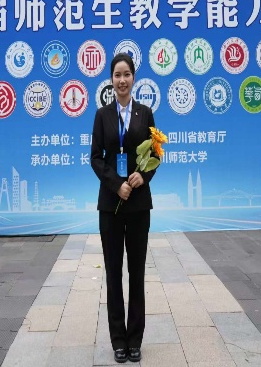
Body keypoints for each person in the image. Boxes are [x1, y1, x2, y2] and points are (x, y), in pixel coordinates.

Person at [91, 52, 157, 364]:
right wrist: (116, 184)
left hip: (139, 205)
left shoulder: (145, 113)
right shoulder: (102, 115)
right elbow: (95, 158)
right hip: (111, 206)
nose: (122, 80)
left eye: (126, 74)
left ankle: (135, 339)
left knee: (137, 272)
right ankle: (118, 340)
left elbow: (155, 153)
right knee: (114, 272)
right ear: (111, 80)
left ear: (134, 78)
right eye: (117, 75)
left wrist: (143, 176)